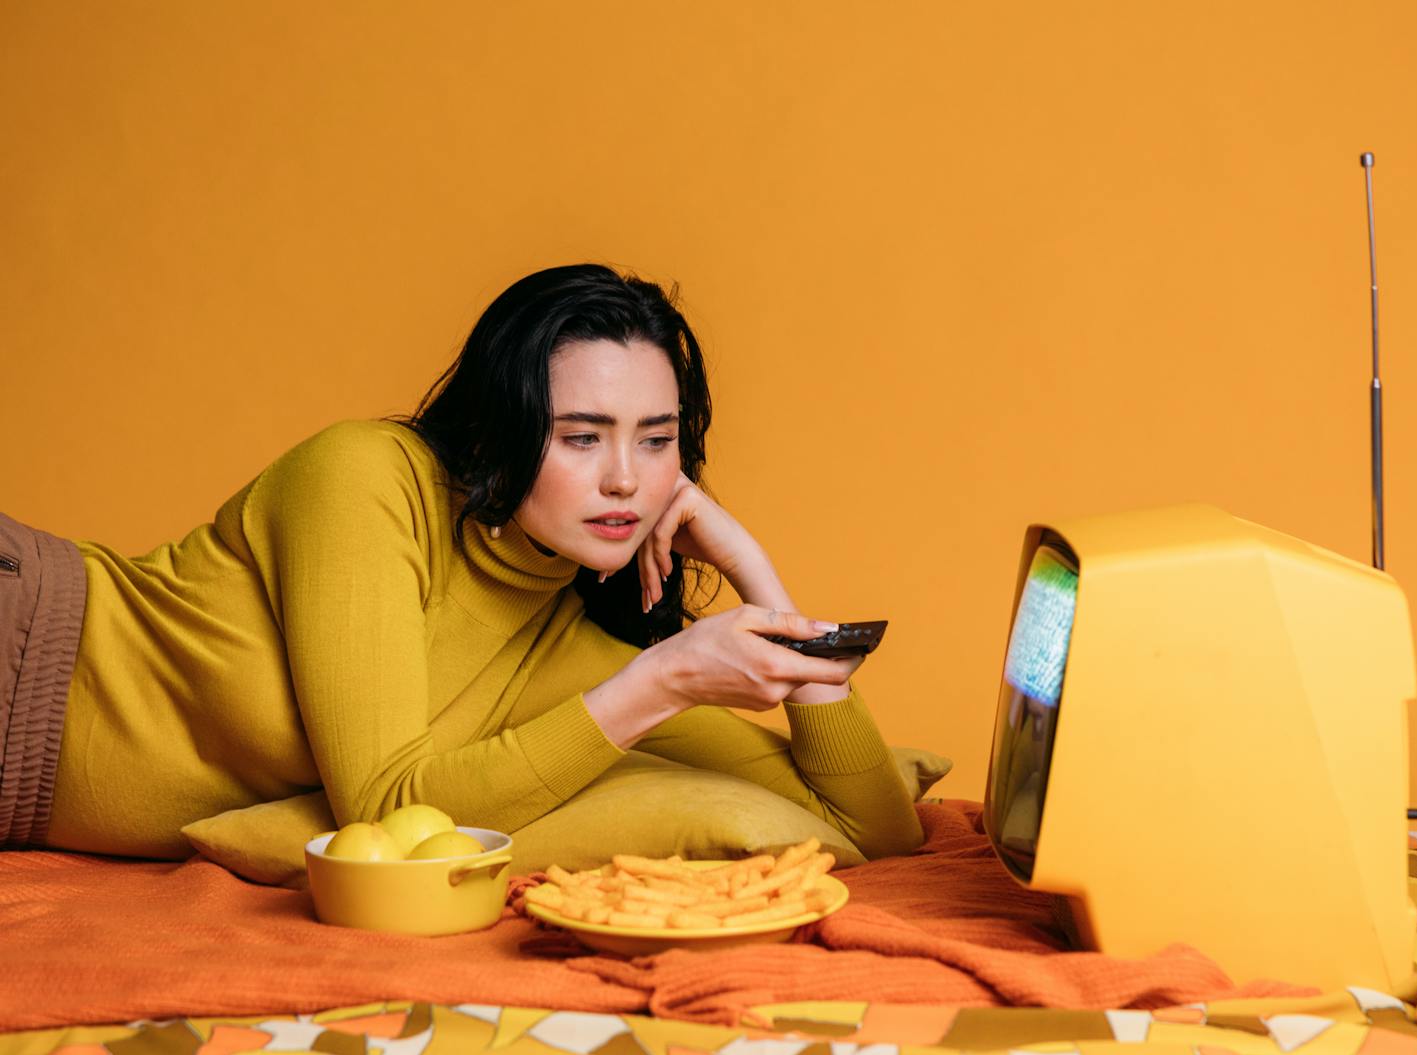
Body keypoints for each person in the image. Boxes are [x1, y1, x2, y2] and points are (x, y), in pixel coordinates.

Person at [0, 264, 923, 861]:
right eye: (581, 436)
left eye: (655, 439)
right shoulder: (367, 479)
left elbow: (874, 830)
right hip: (27, 644)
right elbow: (384, 806)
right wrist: (666, 680)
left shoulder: (575, 656)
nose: (625, 479)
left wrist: (756, 572)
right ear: (497, 430)